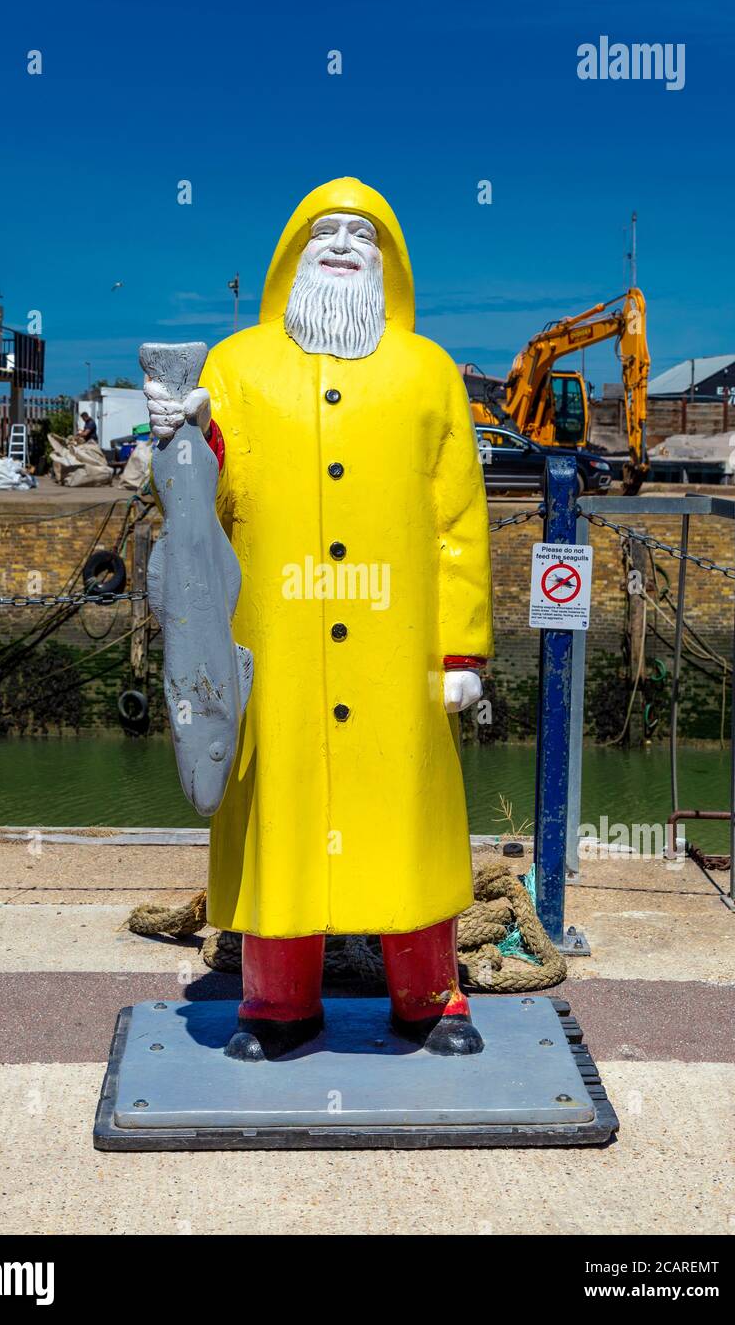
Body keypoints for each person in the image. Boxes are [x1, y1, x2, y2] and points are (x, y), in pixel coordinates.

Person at [146, 178, 493, 1060]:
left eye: (362, 233)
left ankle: (430, 995)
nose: (342, 244)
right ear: (293, 252)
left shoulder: (428, 373)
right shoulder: (236, 367)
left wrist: (462, 650)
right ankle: (275, 1003)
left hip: (397, 653)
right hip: (276, 645)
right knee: (279, 819)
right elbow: (203, 500)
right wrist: (185, 437)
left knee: (404, 815)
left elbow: (457, 522)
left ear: (389, 258)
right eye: (324, 231)